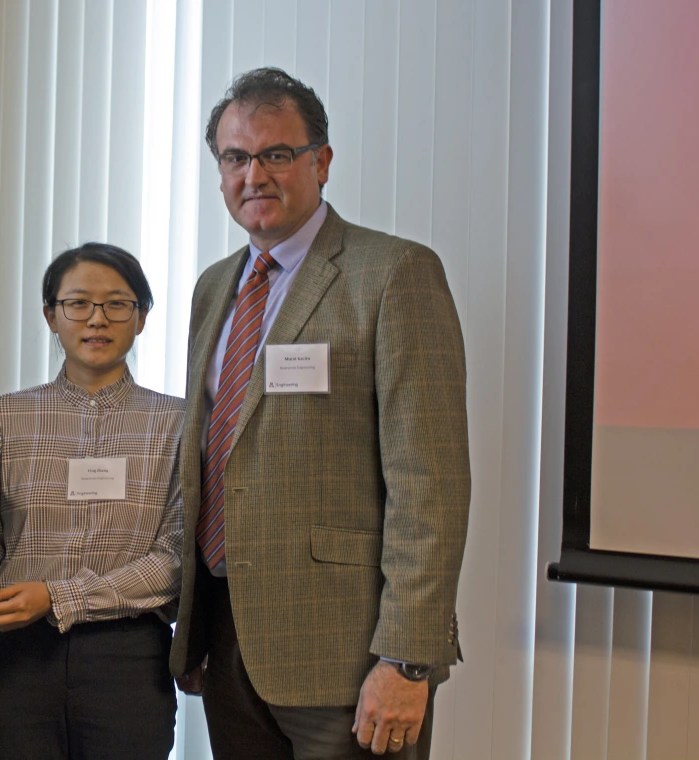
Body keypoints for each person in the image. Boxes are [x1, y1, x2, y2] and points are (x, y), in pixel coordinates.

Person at [169, 67, 471, 759]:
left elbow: (430, 484)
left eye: (277, 154)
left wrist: (407, 659)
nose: (256, 175)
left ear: (321, 162)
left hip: (349, 657)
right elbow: (215, 461)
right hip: (228, 642)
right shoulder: (214, 288)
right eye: (236, 157)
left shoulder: (392, 274)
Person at [0, 243, 183, 759]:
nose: (97, 319)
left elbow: (175, 559)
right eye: (78, 303)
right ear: (51, 315)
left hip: (131, 661)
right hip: (19, 663)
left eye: (117, 304)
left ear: (141, 318)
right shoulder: (4, 417)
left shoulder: (179, 424)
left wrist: (57, 596)